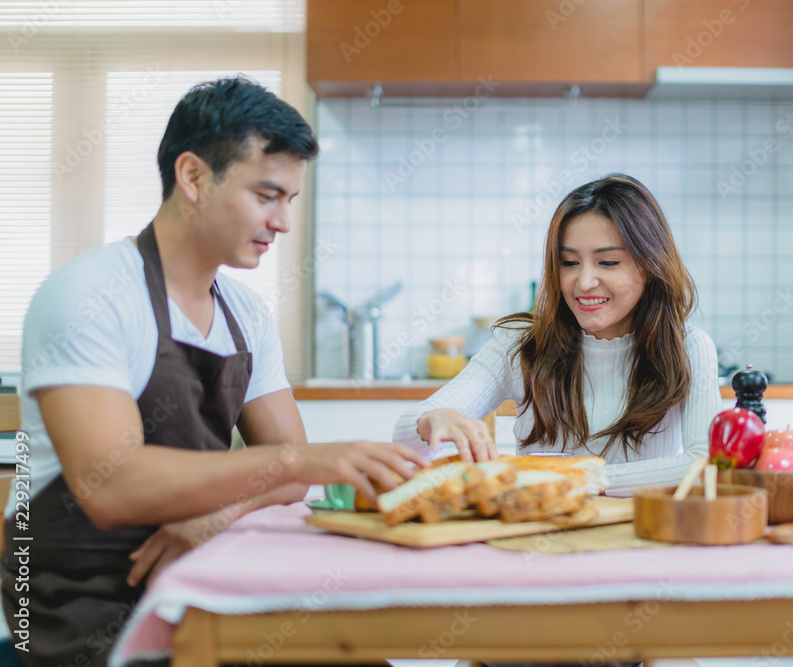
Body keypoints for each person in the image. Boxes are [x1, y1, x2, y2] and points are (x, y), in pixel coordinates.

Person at [2, 77, 425, 667]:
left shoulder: (245, 313)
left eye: (290, 201)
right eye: (266, 195)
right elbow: (110, 484)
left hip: (200, 565)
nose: (281, 221)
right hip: (81, 592)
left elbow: (292, 479)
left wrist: (216, 515)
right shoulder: (88, 295)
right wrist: (301, 461)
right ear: (194, 177)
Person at [393, 174, 721, 496]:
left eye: (607, 262)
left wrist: (577, 478)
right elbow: (407, 437)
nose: (584, 282)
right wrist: (432, 420)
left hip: (639, 536)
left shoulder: (689, 347)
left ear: (650, 267)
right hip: (537, 536)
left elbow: (704, 463)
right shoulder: (521, 345)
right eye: (569, 262)